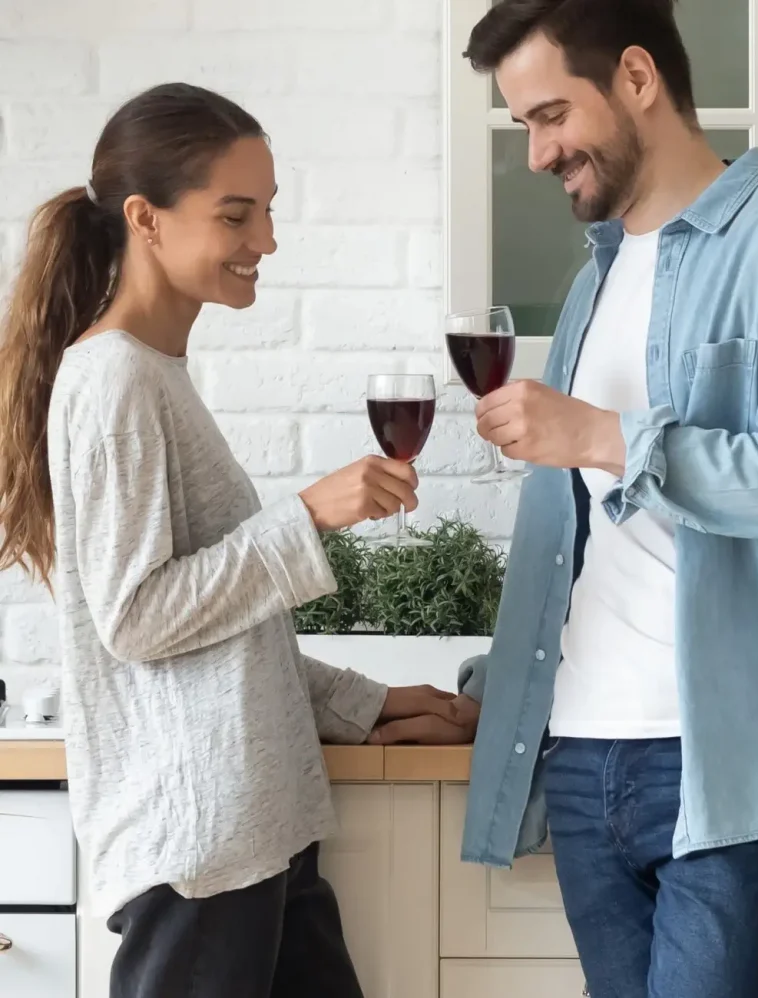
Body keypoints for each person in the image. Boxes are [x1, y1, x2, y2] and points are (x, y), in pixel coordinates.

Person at [436, 1, 758, 994]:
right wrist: (495, 690)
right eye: (524, 124)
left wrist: (602, 436)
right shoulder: (594, 280)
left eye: (551, 115)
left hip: (736, 766)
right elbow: (591, 547)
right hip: (584, 752)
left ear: (638, 78)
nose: (537, 153)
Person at [0, 82, 474, 998]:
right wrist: (308, 515)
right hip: (200, 852)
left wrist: (363, 703)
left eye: (268, 211)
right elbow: (137, 618)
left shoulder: (155, 375)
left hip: (253, 836)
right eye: (236, 214)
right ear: (146, 219)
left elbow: (221, 640)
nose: (267, 240)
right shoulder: (114, 382)